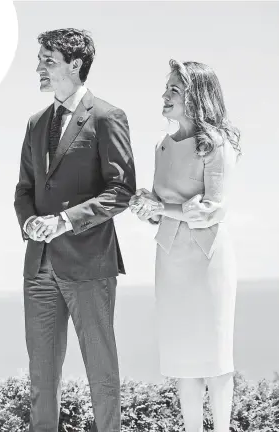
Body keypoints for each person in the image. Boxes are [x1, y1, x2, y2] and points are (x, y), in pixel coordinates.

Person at [14, 28, 136, 432]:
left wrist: (64, 221)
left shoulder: (107, 116)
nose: (38, 68)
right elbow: (25, 189)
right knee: (41, 376)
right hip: (40, 264)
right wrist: (30, 221)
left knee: (101, 374)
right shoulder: (35, 123)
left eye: (47, 60)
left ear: (75, 64)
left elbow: (120, 190)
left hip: (89, 262)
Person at [130, 59, 241, 432]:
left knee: (215, 355)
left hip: (208, 259)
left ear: (196, 98)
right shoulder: (162, 145)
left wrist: (161, 207)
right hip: (170, 257)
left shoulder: (217, 144)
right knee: (182, 356)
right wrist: (145, 207)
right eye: (167, 88)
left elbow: (213, 209)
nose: (164, 95)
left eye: (174, 90)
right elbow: (165, 212)